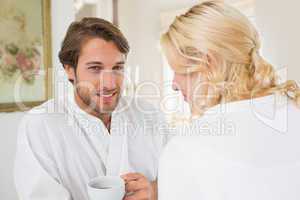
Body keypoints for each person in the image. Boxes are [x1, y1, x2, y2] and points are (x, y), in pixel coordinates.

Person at [158, 1, 300, 200]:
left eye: (180, 71)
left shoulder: (185, 149)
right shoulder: (294, 111)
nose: (174, 84)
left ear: (210, 64)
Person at [14, 17, 167, 200]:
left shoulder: (150, 114)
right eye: (95, 68)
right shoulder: (40, 125)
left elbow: (182, 177)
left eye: (117, 68)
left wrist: (155, 190)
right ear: (69, 69)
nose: (110, 83)